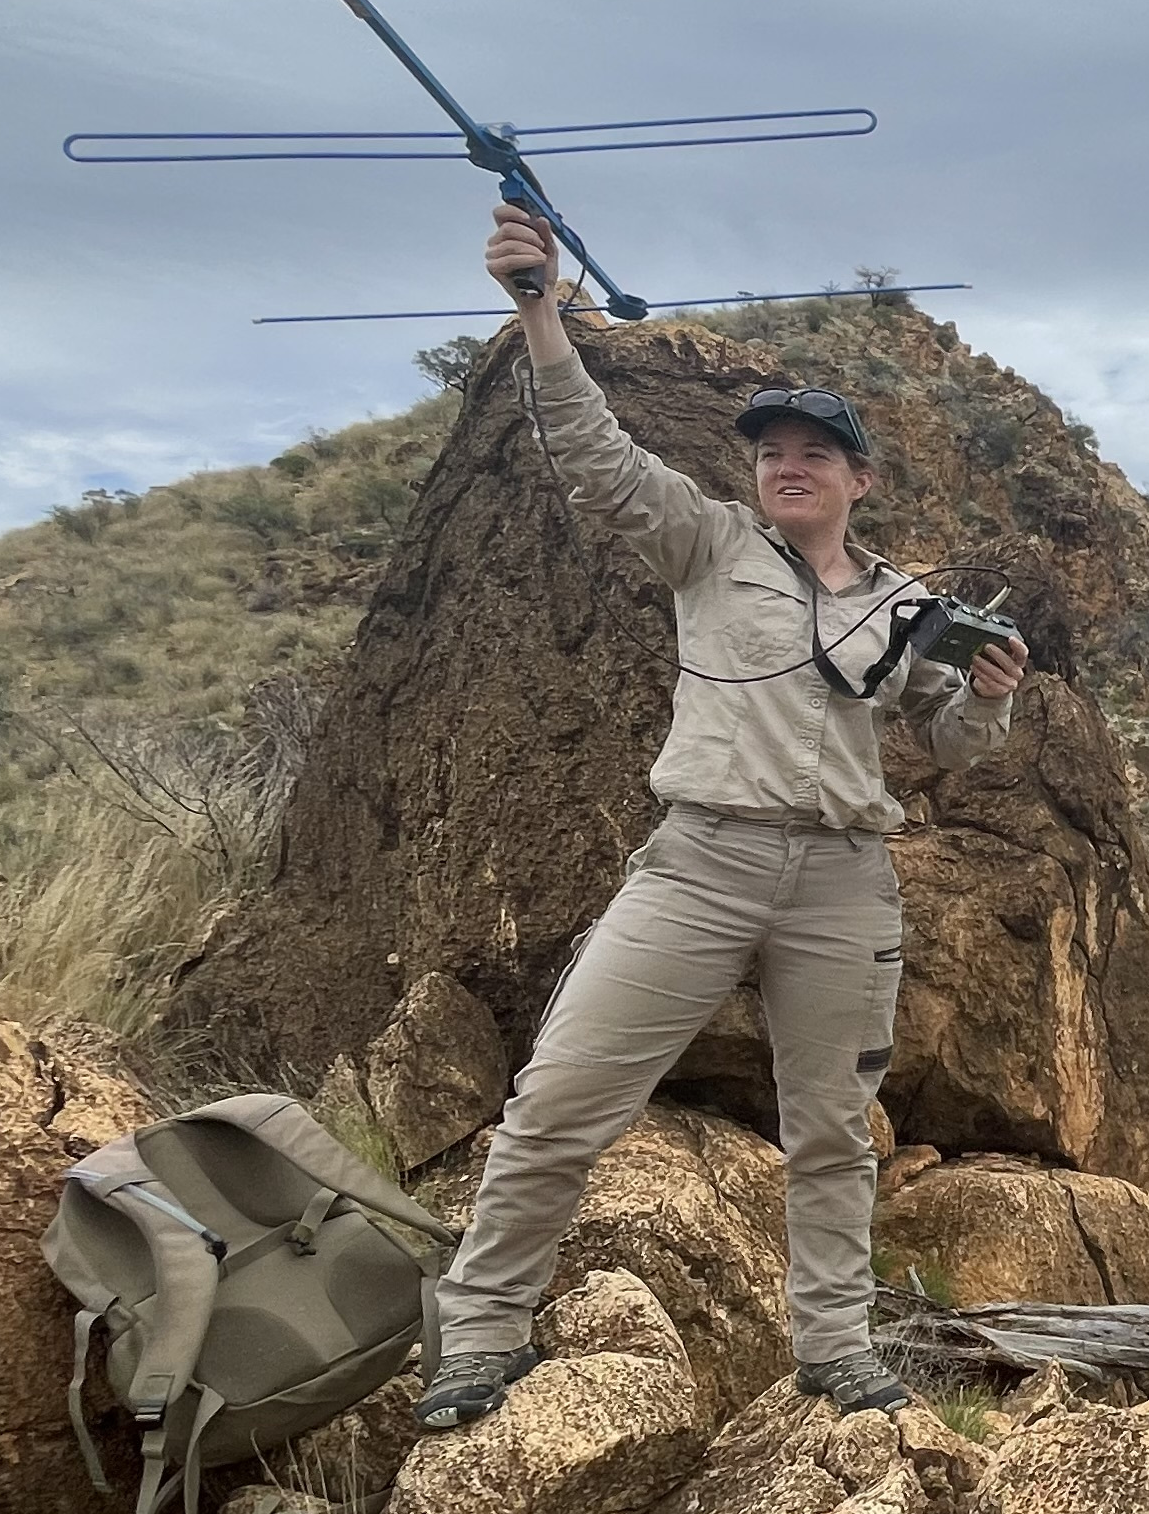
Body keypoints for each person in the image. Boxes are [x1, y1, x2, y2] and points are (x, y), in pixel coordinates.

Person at [417, 201, 1029, 1427]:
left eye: (813, 452)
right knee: (557, 1102)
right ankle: (480, 1336)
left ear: (860, 479)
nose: (785, 464)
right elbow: (594, 458)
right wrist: (542, 308)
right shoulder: (704, 543)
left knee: (834, 1133)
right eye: (769, 451)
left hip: (846, 880)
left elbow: (947, 745)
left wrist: (991, 698)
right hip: (698, 862)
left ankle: (836, 1348)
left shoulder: (907, 607)